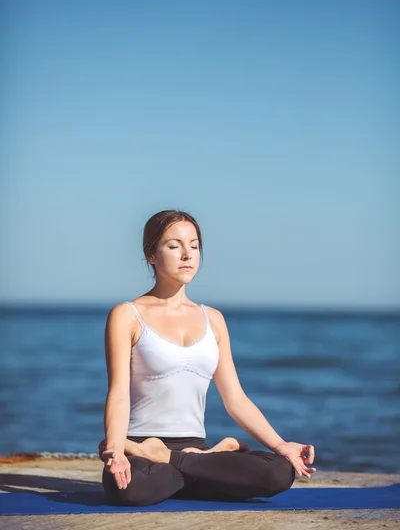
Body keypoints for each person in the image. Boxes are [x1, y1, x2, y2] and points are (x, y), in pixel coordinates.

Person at [100, 210, 316, 506]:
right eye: (174, 246)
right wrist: (115, 447)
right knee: (129, 488)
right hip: (140, 449)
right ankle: (205, 464)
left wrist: (281, 445)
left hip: (191, 448)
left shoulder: (212, 319)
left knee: (279, 472)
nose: (187, 254)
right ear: (151, 254)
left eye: (195, 245)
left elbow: (235, 399)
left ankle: (183, 461)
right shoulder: (127, 315)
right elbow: (118, 393)